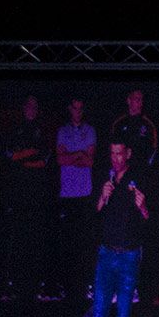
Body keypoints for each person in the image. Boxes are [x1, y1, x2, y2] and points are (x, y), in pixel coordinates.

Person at [89, 140, 149, 317]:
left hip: (129, 256)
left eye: (120, 154)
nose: (116, 158)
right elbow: (94, 213)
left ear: (128, 153)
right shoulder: (106, 177)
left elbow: (149, 219)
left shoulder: (138, 178)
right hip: (106, 254)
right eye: (112, 154)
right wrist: (101, 197)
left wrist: (142, 207)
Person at [1, 95, 51, 302]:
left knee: (35, 239)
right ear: (24, 108)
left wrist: (26, 157)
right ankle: (14, 284)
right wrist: (29, 154)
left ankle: (34, 285)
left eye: (35, 106)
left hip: (36, 195)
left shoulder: (41, 131)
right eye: (29, 106)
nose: (32, 109)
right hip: (18, 194)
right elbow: (11, 156)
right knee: (17, 239)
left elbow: (43, 160)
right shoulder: (15, 130)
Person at [52, 97, 96, 302]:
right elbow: (61, 159)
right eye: (74, 108)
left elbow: (89, 161)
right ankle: (67, 287)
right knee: (67, 242)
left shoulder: (90, 131)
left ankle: (82, 287)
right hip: (67, 194)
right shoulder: (62, 131)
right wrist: (78, 154)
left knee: (83, 242)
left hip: (84, 193)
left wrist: (74, 155)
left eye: (81, 108)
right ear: (70, 109)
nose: (77, 111)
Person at [109, 88, 158, 169]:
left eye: (141, 99)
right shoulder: (119, 123)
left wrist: (147, 166)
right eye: (137, 99)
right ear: (129, 100)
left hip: (141, 169)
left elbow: (154, 148)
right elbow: (112, 147)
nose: (140, 102)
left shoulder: (148, 124)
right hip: (122, 169)